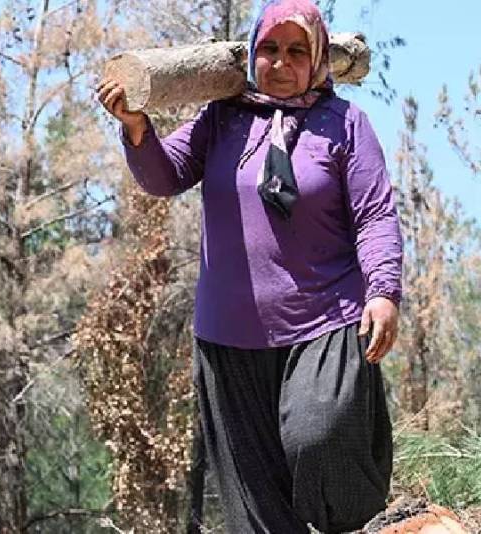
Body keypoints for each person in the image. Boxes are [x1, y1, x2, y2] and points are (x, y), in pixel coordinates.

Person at [95, 0, 402, 532]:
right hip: (227, 337)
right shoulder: (221, 119)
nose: (280, 63)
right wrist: (136, 128)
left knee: (320, 434)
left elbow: (375, 214)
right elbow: (164, 177)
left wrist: (383, 290)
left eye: (296, 52)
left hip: (324, 323)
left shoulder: (345, 124)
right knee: (254, 502)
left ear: (319, 59)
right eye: (269, 49)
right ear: (251, 54)